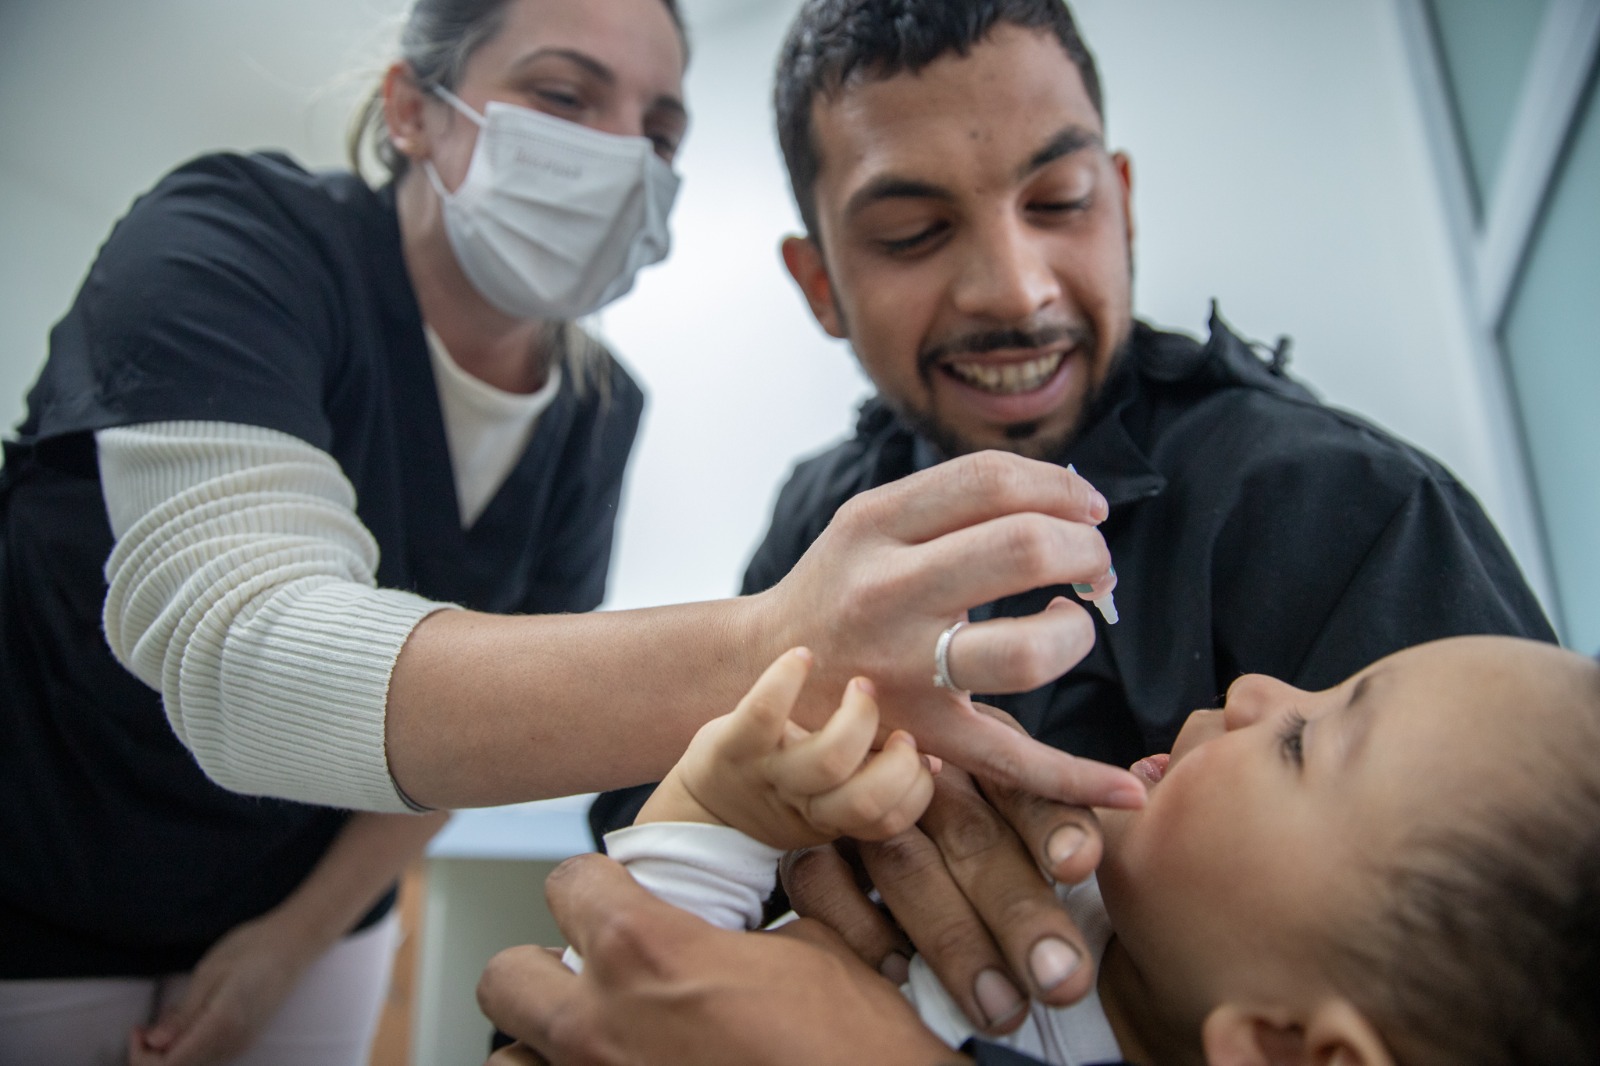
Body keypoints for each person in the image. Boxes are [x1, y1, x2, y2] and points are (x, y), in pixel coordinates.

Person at [0, 0, 1150, 1061]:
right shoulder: (233, 245)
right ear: (412, 109)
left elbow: (493, 721)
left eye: (659, 128)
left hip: (315, 904)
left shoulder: (598, 412)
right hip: (48, 879)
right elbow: (238, 648)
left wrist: (297, 937)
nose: (620, 156)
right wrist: (776, 652)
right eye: (564, 96)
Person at [591, 0, 1558, 1032]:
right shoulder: (818, 521)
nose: (1015, 289)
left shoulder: (1351, 510)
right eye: (912, 233)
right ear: (820, 282)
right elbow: (646, 869)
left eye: (1058, 200)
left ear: (1123, 204)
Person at [488, 633, 1600, 1065]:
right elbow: (626, 987)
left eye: (1305, 744)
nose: (1257, 688)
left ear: (1291, 1051)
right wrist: (724, 806)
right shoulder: (1089, 901)